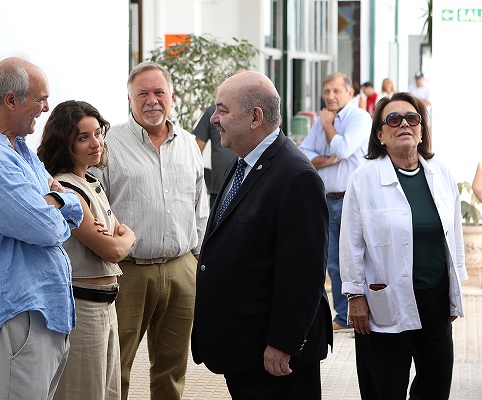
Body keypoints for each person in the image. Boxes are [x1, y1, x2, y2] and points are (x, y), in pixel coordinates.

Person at [0, 57, 84, 399]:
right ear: (11, 100)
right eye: (41, 98)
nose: (46, 107)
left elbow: (74, 203)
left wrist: (56, 201)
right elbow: (44, 228)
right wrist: (57, 203)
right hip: (18, 319)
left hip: (39, 315)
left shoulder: (19, 149)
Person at [191, 71, 332, 399]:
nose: (213, 119)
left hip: (275, 360)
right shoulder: (242, 161)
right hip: (244, 350)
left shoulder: (297, 176)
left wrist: (283, 343)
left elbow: (304, 274)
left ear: (255, 117)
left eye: (222, 110)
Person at [89, 61, 209, 400]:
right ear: (129, 99)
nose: (152, 100)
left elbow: (200, 204)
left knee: (172, 367)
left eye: (159, 92)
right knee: (116, 366)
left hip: (181, 270)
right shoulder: (108, 145)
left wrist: (198, 256)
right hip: (127, 273)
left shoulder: (188, 144)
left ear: (172, 96)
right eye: (142, 94)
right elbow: (94, 204)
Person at [340, 92, 467, 399]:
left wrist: (455, 292)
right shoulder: (364, 178)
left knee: (436, 385)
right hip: (384, 301)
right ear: (380, 135)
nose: (404, 125)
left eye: (412, 118)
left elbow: (454, 233)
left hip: (435, 300)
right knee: (384, 387)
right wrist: (355, 295)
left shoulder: (441, 172)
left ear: (422, 130)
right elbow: (350, 241)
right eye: (393, 120)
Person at [37, 100, 137, 400]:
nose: (96, 143)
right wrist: (127, 237)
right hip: (83, 308)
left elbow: (117, 236)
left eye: (98, 133)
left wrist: (121, 237)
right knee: (84, 393)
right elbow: (114, 250)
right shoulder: (66, 190)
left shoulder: (91, 183)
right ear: (63, 143)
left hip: (107, 305)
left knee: (108, 392)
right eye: (83, 137)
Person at [299, 72, 372, 331]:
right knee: (333, 262)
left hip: (353, 201)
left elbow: (343, 149)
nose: (330, 96)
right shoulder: (320, 120)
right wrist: (329, 159)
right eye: (327, 91)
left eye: (336, 91)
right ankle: (344, 317)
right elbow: (303, 155)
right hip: (327, 201)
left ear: (350, 93)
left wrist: (329, 126)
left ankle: (367, 314)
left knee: (358, 261)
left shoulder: (359, 118)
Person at [193, 104, 236, 207]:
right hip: (218, 191)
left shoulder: (250, 110)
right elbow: (195, 153)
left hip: (247, 189)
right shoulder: (212, 112)